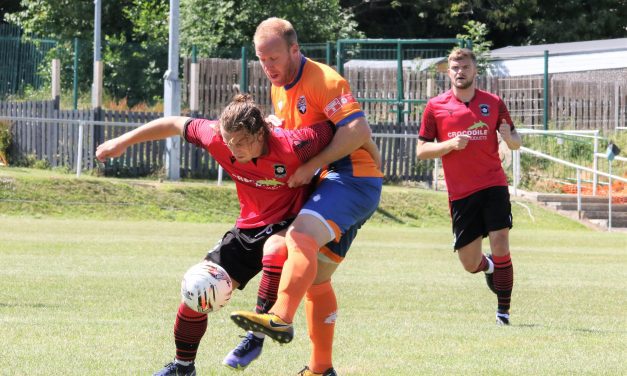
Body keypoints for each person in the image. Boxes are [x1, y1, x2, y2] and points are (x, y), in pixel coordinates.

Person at [95, 94, 337, 376]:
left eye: (241, 142)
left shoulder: (293, 145)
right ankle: (183, 367)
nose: (234, 151)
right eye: (229, 143)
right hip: (247, 227)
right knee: (198, 289)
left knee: (273, 250)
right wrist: (121, 141)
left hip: (292, 223)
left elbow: (336, 126)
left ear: (261, 133)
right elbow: (174, 123)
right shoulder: (215, 137)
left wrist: (314, 167)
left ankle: (256, 336)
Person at [226, 17, 383, 376]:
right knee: (315, 277)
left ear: (295, 50)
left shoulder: (323, 80)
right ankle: (321, 369)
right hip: (331, 182)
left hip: (352, 179)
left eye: (275, 58)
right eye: (262, 60)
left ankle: (279, 317)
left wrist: (313, 165)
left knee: (300, 237)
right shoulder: (278, 89)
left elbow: (357, 128)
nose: (269, 68)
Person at [415, 48, 522, 325]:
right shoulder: (435, 106)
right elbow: (421, 150)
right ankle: (487, 268)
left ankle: (503, 313)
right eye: (454, 67)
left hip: (493, 183)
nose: (459, 71)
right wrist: (449, 145)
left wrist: (510, 139)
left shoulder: (494, 102)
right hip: (461, 193)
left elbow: (515, 139)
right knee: (469, 263)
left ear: (475, 70)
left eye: (464, 66)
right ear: (448, 72)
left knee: (500, 241)